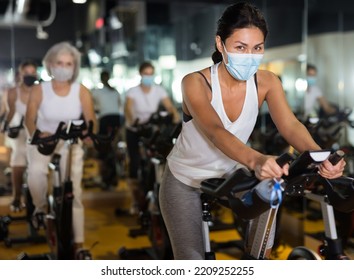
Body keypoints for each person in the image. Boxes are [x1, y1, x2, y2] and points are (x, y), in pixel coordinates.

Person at [159, 2, 346, 260]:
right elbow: (215, 131)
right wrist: (257, 159)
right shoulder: (195, 82)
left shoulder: (267, 81)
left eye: (257, 48)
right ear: (220, 44)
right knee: (192, 263)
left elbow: (290, 125)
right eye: (240, 47)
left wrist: (318, 155)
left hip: (231, 174)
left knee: (265, 225)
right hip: (185, 178)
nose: (249, 56)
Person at [24, 41, 97, 258]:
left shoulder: (81, 91)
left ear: (74, 68)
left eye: (68, 64)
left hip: (70, 142)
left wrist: (89, 135)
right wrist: (38, 134)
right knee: (36, 173)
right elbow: (29, 118)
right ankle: (40, 208)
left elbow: (91, 119)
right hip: (44, 140)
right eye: (59, 63)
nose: (64, 67)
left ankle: (79, 243)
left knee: (74, 191)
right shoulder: (39, 90)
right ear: (50, 64)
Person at [124, 61, 180, 214]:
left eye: (151, 74)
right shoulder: (133, 91)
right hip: (135, 129)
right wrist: (132, 121)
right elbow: (128, 108)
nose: (148, 76)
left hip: (151, 128)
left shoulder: (158, 90)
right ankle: (135, 201)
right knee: (135, 161)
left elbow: (169, 106)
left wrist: (175, 118)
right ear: (141, 74)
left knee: (161, 154)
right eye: (146, 74)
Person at [3, 60, 38, 212]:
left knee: (38, 164)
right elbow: (10, 112)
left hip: (36, 130)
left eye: (33, 73)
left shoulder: (40, 90)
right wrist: (5, 125)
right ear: (21, 74)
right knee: (18, 157)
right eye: (27, 73)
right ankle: (16, 196)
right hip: (19, 131)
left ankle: (39, 196)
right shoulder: (13, 92)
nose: (30, 76)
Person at [91, 70, 123, 188]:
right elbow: (119, 105)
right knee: (113, 147)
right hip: (116, 119)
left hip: (105, 119)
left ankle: (104, 177)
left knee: (103, 148)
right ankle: (114, 176)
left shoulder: (96, 91)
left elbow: (92, 105)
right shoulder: (115, 91)